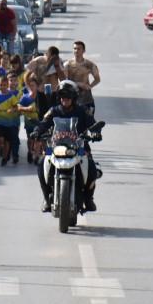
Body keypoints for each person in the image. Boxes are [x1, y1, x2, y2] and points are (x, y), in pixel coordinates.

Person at [33, 80, 98, 213]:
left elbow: (92, 124)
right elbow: (44, 123)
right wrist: (37, 131)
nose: (65, 99)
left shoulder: (82, 110)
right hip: (57, 146)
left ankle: (88, 198)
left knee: (92, 169)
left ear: (74, 98)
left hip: (79, 147)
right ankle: (46, 198)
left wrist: (96, 132)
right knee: (41, 165)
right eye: (62, 96)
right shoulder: (53, 111)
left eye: (68, 97)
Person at [18, 72, 48, 164]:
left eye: (33, 85)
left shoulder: (42, 97)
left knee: (39, 140)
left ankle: (37, 155)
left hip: (39, 122)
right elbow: (18, 107)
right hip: (29, 122)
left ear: (37, 86)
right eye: (30, 85)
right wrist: (27, 109)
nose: (31, 87)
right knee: (30, 140)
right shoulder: (25, 97)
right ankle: (30, 152)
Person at [0, 74, 19, 166]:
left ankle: (5, 158)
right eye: (1, 85)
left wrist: (12, 110)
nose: (3, 87)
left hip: (9, 123)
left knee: (7, 141)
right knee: (0, 139)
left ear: (7, 85)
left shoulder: (12, 96)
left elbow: (16, 107)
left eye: (5, 85)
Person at [66, 40, 101, 115]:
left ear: (83, 51)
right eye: (75, 48)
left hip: (86, 98)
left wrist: (89, 86)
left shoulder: (89, 64)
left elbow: (97, 79)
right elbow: (64, 80)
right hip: (71, 98)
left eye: (79, 49)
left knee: (89, 120)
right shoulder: (67, 64)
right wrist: (78, 84)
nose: (76, 51)